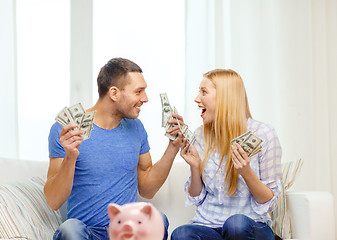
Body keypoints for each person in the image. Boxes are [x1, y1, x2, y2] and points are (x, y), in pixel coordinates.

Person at [44, 57, 183, 240]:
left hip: (126, 232)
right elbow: (53, 201)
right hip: (87, 233)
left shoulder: (136, 128)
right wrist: (70, 156)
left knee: (159, 219)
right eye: (139, 91)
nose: (145, 99)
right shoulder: (67, 131)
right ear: (114, 93)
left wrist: (173, 148)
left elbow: (147, 189)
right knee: (69, 229)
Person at [171, 69, 282, 240]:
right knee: (181, 234)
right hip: (210, 225)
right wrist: (194, 167)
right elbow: (197, 197)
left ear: (224, 98)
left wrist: (246, 172)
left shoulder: (263, 133)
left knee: (236, 225)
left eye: (204, 92)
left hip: (251, 225)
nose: (197, 99)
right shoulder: (200, 135)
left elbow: (268, 202)